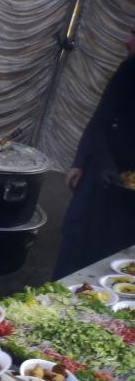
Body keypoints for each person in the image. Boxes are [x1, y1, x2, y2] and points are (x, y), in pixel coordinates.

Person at [53, 32, 135, 278]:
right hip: (105, 177)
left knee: (121, 262)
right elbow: (101, 121)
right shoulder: (131, 69)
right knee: (80, 251)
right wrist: (90, 163)